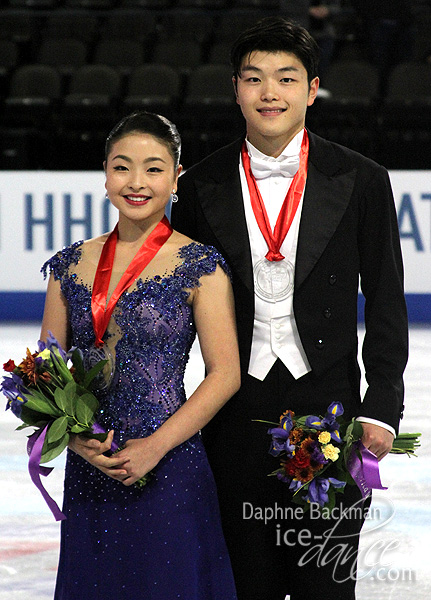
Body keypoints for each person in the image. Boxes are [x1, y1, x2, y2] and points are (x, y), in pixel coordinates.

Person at [171, 16, 408, 600]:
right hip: (232, 417)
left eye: (285, 78)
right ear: (235, 89)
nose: (269, 93)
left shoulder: (362, 180)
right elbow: (177, 312)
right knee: (241, 585)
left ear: (312, 86)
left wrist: (381, 409)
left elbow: (385, 300)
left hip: (329, 414)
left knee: (326, 587)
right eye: (254, 79)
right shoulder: (199, 187)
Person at [40, 111, 240, 599]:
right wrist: (77, 440)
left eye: (153, 168)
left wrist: (155, 446)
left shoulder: (201, 266)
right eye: (121, 166)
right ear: (105, 174)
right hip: (92, 464)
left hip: (169, 461)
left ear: (176, 178)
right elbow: (45, 369)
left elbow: (225, 374)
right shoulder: (69, 263)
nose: (136, 182)